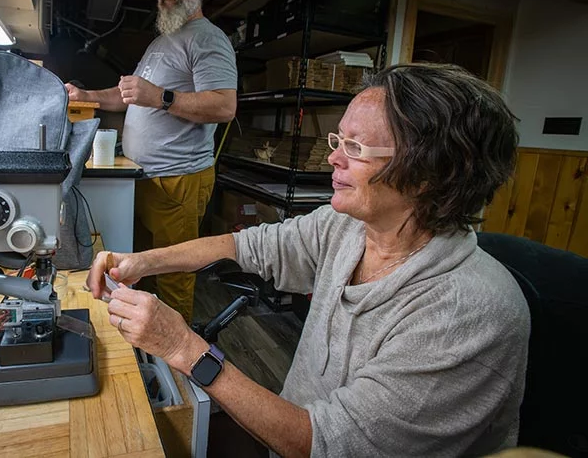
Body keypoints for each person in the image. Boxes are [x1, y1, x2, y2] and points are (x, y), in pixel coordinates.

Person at [86, 64, 531, 457]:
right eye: (339, 139)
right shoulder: (348, 228)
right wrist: (141, 261)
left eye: (355, 148)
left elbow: (331, 445)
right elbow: (241, 246)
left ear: (433, 174)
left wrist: (184, 348)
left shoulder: (467, 314)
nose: (333, 158)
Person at [66, 0, 237, 322]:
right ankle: (145, 345)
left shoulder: (207, 38)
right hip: (145, 177)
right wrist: (87, 96)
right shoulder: (162, 40)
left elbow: (225, 106)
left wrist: (159, 96)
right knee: (140, 266)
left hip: (179, 180)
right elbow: (129, 95)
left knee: (174, 273)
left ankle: (179, 364)